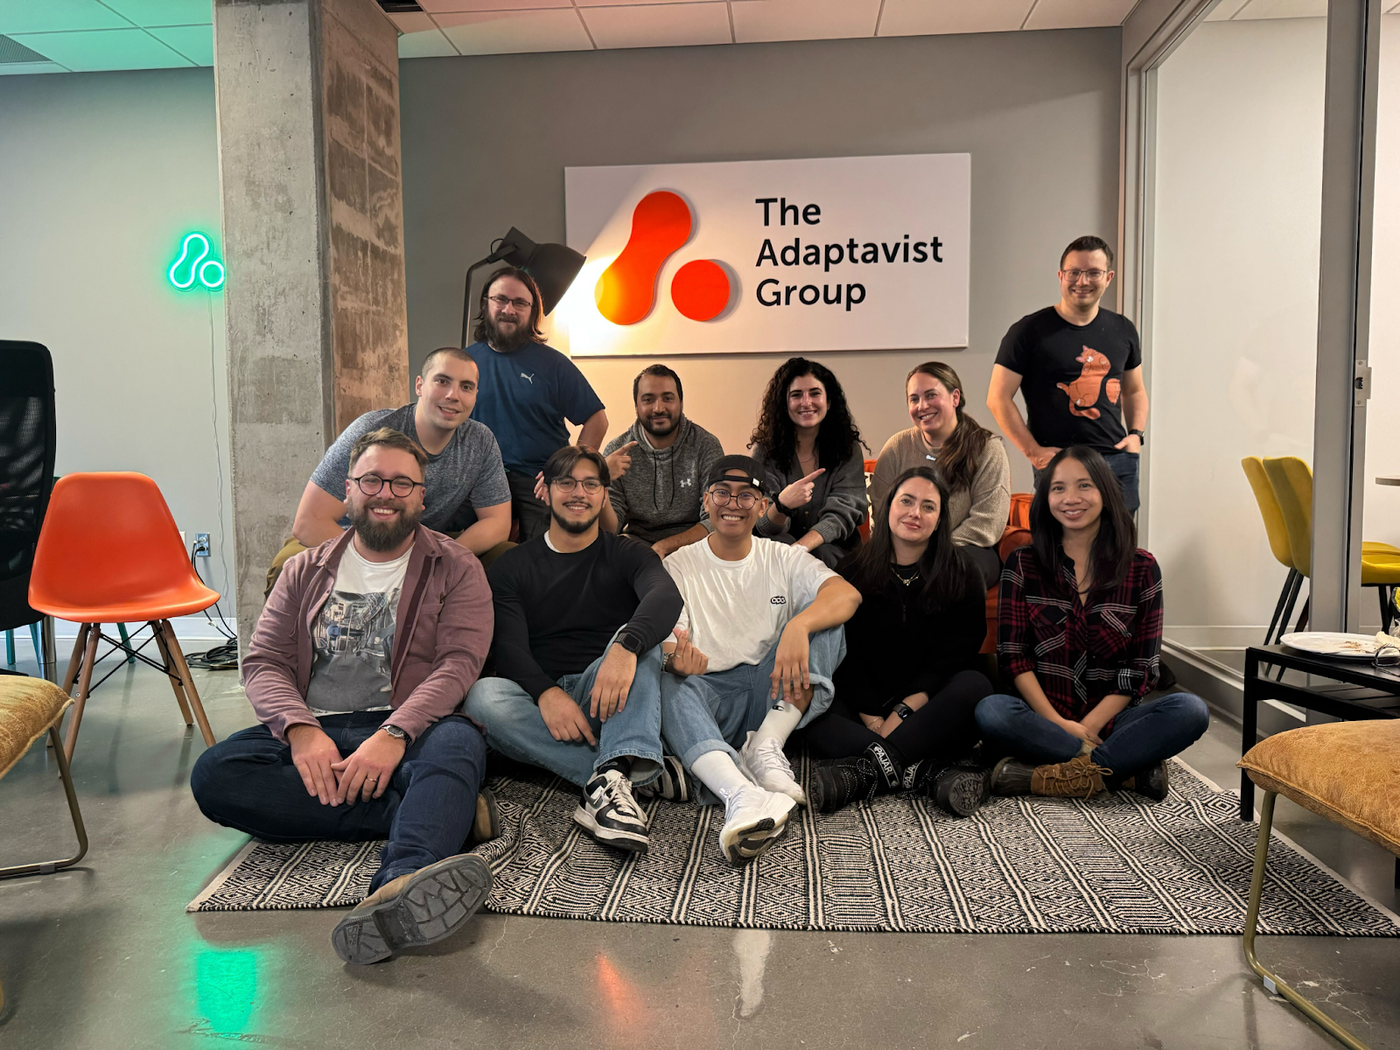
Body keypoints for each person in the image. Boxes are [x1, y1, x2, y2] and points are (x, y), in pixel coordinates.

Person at [191, 428, 495, 965]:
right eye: (372, 480)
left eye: (403, 483)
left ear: (423, 497)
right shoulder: (303, 570)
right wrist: (301, 730)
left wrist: (395, 733)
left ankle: (398, 888)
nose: (386, 493)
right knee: (216, 773)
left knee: (457, 745)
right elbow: (263, 662)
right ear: (348, 491)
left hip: (409, 727)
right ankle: (436, 812)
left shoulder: (456, 567)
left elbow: (458, 665)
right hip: (319, 725)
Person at [464, 446, 682, 855]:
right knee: (482, 697)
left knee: (640, 642)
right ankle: (623, 774)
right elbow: (507, 646)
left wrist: (625, 646)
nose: (578, 493)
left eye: (590, 484)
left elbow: (665, 596)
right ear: (544, 491)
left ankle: (613, 771)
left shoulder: (626, 552)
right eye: (566, 482)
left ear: (603, 495)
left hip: (610, 696)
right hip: (539, 708)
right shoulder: (511, 567)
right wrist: (546, 694)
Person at [659, 455, 862, 864]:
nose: (733, 504)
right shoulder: (679, 564)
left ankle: (766, 746)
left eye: (746, 495)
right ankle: (741, 795)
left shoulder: (782, 557)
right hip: (711, 699)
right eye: (722, 493)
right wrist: (675, 660)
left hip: (771, 691)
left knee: (826, 622)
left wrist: (797, 627)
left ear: (762, 504)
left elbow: (847, 595)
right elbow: (668, 637)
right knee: (667, 682)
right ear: (706, 500)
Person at [975, 446, 1210, 800]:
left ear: (1105, 491)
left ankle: (1040, 777)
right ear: (1046, 497)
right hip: (1043, 717)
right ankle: (1124, 772)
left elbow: (1141, 669)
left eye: (1084, 486)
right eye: (1058, 488)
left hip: (1112, 722)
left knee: (1191, 710)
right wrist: (1060, 725)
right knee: (992, 712)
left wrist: (1089, 727)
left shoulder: (1142, 568)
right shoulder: (1022, 564)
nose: (1071, 498)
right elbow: (1014, 659)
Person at [799, 467, 995, 817]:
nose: (914, 513)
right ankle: (926, 774)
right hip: (864, 705)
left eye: (928, 506)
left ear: (940, 519)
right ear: (887, 507)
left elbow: (956, 653)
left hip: (931, 705)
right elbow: (845, 652)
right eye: (906, 501)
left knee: (975, 684)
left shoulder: (962, 571)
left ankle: (862, 773)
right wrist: (874, 717)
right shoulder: (851, 568)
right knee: (811, 709)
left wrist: (906, 709)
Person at [266, 347, 512, 593]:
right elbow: (309, 522)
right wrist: (382, 567)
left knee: (507, 557)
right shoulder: (372, 430)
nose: (453, 395)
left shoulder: (480, 441)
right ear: (419, 385)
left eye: (466, 387)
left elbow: (497, 522)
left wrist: (442, 559)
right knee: (286, 565)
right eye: (442, 381)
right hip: (352, 538)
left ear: (475, 395)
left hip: (425, 545)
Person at [986, 235, 1149, 513]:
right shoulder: (1028, 331)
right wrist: (1033, 452)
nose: (1082, 281)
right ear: (1061, 276)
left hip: (1116, 459)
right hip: (1060, 462)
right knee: (1058, 550)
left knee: (1119, 551)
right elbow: (997, 398)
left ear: (1108, 277)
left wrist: (1136, 435)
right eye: (1074, 272)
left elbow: (1134, 390)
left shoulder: (1123, 329)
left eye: (1093, 273)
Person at [466, 267, 608, 543]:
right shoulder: (464, 363)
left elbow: (597, 419)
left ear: (532, 312)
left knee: (545, 557)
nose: (509, 309)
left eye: (520, 303)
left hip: (538, 481)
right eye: (501, 299)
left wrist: (570, 470)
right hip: (480, 479)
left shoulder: (553, 364)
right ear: (486, 303)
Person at [869, 362, 1012, 587]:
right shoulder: (897, 446)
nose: (922, 406)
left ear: (955, 397)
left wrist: (932, 553)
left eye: (931, 395)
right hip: (903, 549)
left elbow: (988, 521)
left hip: (964, 550)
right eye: (914, 399)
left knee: (954, 571)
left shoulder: (987, 448)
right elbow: (880, 508)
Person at [749, 357, 868, 568]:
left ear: (829, 402)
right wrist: (782, 505)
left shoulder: (847, 449)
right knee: (778, 546)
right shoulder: (765, 452)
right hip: (781, 550)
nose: (806, 402)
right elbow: (762, 524)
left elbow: (844, 513)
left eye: (815, 393)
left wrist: (800, 549)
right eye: (796, 395)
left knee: (824, 552)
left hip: (834, 551)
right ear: (784, 405)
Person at [600, 363, 725, 558]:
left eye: (667, 398)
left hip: (696, 547)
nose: (658, 408)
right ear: (636, 406)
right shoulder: (616, 451)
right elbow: (609, 529)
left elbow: (714, 520)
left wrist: (664, 547)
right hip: (638, 547)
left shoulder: (706, 445)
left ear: (681, 403)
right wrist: (600, 482)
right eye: (648, 399)